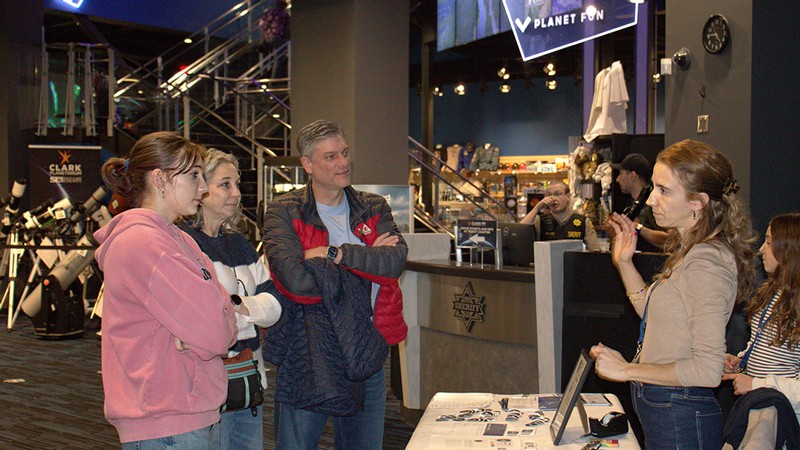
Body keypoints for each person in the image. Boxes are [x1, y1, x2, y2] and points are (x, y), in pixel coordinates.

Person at [590, 139, 757, 449]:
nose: (652, 200)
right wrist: (624, 263)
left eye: (664, 191)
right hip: (667, 410)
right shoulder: (690, 250)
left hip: (680, 416)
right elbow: (654, 314)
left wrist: (625, 369)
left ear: (698, 202)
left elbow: (707, 371)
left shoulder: (706, 261)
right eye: (654, 187)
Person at [262, 119, 408, 450]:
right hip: (309, 350)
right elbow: (296, 283)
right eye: (330, 157)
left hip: (367, 348)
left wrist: (333, 255)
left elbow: (394, 263)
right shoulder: (283, 211)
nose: (343, 163)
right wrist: (367, 260)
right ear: (307, 164)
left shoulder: (373, 206)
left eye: (344, 153)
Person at [93, 132, 238, 447]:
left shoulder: (179, 239)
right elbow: (216, 331)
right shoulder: (143, 242)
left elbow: (225, 326)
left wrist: (207, 328)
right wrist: (215, 324)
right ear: (159, 179)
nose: (203, 187)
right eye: (194, 175)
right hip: (164, 423)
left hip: (188, 414)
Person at [181, 149, 283, 450]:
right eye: (225, 184)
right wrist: (249, 308)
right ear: (201, 188)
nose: (236, 193)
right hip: (206, 388)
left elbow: (276, 305)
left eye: (237, 184)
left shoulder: (240, 243)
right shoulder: (184, 244)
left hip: (248, 382)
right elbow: (201, 319)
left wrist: (239, 306)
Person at [721, 213, 800, 419]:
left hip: (783, 415)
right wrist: (742, 360)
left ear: (789, 249)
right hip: (759, 407)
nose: (761, 250)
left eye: (769, 242)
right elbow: (770, 346)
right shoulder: (774, 292)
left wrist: (756, 384)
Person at [520, 180, 601, 251]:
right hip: (546, 266)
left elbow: (595, 251)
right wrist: (537, 207)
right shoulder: (540, 220)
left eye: (558, 194)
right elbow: (520, 233)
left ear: (568, 196)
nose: (553, 199)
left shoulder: (583, 222)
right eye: (549, 195)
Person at [611, 153, 668, 252]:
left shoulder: (653, 204)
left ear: (632, 175)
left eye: (621, 173)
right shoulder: (631, 206)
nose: (617, 179)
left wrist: (637, 227)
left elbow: (669, 239)